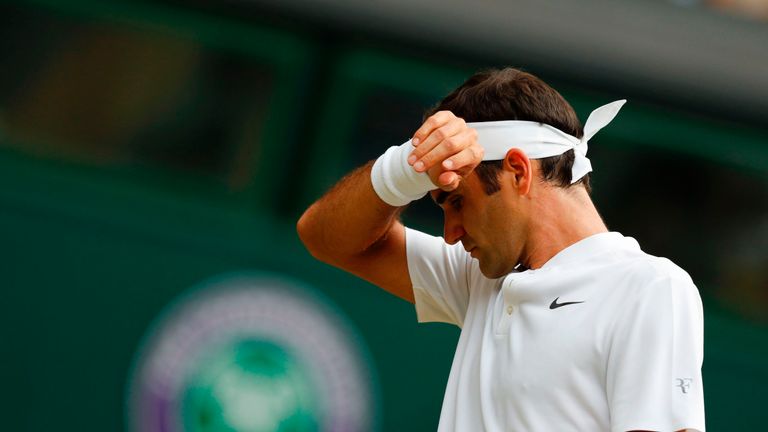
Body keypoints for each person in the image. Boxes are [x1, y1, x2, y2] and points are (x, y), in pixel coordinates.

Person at [297, 67, 705, 432]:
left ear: (518, 170)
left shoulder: (649, 288)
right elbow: (325, 238)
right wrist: (405, 169)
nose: (452, 234)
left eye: (457, 201)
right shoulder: (479, 277)